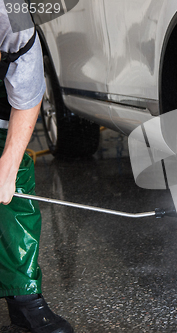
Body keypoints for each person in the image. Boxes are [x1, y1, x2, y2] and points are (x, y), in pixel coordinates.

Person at [0, 2, 73, 332]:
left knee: (14, 181)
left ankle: (24, 298)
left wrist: (8, 167)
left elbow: (28, 96)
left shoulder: (12, 20)